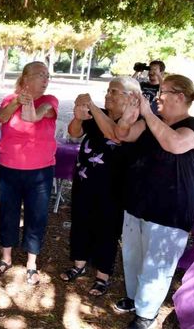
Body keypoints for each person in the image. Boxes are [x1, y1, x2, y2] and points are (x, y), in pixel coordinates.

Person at [113, 75, 194, 329]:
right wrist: (128, 117)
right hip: (138, 203)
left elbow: (173, 144)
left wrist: (147, 113)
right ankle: (134, 298)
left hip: (171, 210)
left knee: (157, 265)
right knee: (133, 255)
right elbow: (123, 135)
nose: (157, 96)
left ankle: (146, 314)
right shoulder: (152, 123)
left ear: (180, 96)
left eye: (163, 91)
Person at [59, 77, 141, 296]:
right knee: (81, 221)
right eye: (108, 90)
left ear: (131, 97)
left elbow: (114, 134)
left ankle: (103, 275)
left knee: (108, 229)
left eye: (114, 91)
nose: (108, 95)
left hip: (114, 188)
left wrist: (93, 107)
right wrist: (78, 117)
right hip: (85, 182)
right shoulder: (98, 115)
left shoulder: (135, 121)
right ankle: (79, 264)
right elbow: (74, 132)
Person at [0, 61, 58, 286]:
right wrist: (17, 101)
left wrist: (28, 105)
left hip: (40, 171)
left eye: (47, 76)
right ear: (25, 78)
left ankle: (31, 263)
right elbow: (1, 117)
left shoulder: (50, 101)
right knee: (7, 213)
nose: (46, 79)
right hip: (10, 168)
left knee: (36, 216)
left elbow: (35, 116)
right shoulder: (9, 100)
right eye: (40, 75)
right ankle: (6, 257)